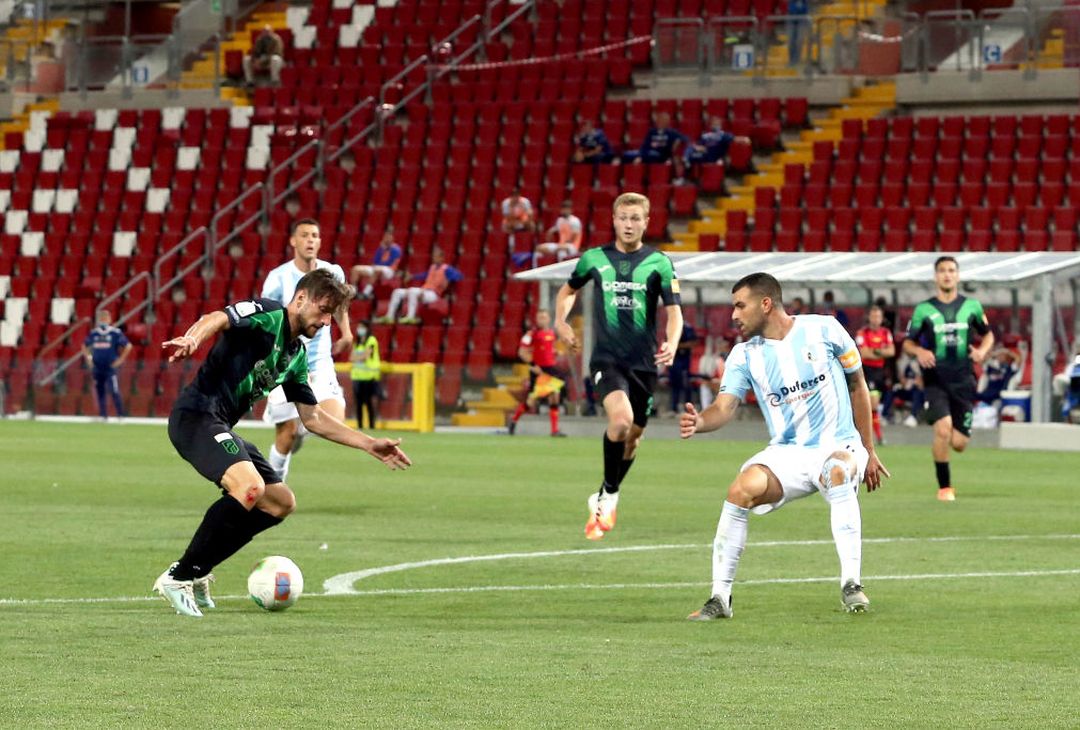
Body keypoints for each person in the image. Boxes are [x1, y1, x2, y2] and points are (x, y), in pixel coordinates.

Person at [153, 270, 411, 617]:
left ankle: (199, 569)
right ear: (300, 298)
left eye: (331, 317)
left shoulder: (295, 355)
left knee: (280, 502)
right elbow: (217, 317)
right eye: (322, 311)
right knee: (249, 487)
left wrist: (368, 444)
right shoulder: (267, 314)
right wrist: (192, 339)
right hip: (195, 417)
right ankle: (180, 575)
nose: (324, 322)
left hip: (220, 425)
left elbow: (314, 418)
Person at [680, 272, 889, 620]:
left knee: (836, 471)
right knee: (740, 489)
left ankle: (851, 583)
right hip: (788, 453)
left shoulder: (826, 330)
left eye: (739, 305)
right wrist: (700, 422)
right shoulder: (744, 355)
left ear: (765, 304)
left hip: (839, 445)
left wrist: (868, 450)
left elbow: (858, 386)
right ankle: (720, 598)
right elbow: (724, 407)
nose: (734, 315)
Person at [555, 192, 683, 540]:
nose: (629, 224)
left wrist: (671, 342)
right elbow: (567, 291)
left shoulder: (660, 263)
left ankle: (602, 493)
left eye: (635, 218)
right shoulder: (594, 258)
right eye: (623, 218)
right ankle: (609, 495)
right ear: (614, 220)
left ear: (646, 221)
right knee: (621, 420)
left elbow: (674, 313)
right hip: (607, 360)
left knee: (634, 438)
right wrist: (561, 322)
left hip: (643, 364)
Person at [261, 218, 353, 481]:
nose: (311, 240)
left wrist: (346, 331)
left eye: (315, 235)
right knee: (286, 435)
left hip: (319, 362)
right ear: (293, 241)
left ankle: (305, 424)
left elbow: (340, 304)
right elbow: (269, 319)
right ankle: (273, 486)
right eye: (304, 235)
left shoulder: (332, 272)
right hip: (285, 364)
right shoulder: (278, 278)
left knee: (335, 419)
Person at [903, 256, 994, 502]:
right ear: (935, 276)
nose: (947, 274)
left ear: (958, 275)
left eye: (951, 270)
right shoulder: (923, 309)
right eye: (942, 270)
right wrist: (919, 351)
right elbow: (908, 342)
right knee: (942, 430)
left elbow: (988, 336)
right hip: (935, 380)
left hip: (963, 380)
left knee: (959, 443)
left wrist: (982, 351)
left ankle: (946, 422)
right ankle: (945, 488)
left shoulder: (972, 306)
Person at [508, 310, 567, 437]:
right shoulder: (531, 334)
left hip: (550, 369)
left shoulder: (551, 333)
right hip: (538, 370)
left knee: (555, 396)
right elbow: (522, 352)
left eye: (544, 317)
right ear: (536, 319)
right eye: (540, 317)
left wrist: (555, 352)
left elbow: (547, 350)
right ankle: (513, 421)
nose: (542, 320)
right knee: (531, 402)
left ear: (549, 319)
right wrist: (533, 366)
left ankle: (554, 430)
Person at [379, 246, 463, 324]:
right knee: (397, 292)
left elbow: (459, 276)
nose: (434, 258)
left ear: (441, 258)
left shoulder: (446, 268)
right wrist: (412, 276)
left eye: (436, 256)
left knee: (412, 291)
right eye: (433, 256)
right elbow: (425, 275)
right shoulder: (432, 267)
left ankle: (411, 317)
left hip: (433, 294)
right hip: (424, 291)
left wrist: (448, 280)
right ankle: (389, 316)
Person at [855, 304, 895, 445]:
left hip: (880, 372)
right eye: (873, 316)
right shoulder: (862, 333)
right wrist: (880, 351)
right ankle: (875, 436)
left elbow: (892, 351)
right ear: (869, 318)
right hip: (866, 372)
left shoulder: (885, 332)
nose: (875, 319)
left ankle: (872, 436)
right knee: (872, 405)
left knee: (873, 406)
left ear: (882, 318)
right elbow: (864, 353)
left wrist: (874, 351)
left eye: (878, 316)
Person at [82, 309, 132, 419]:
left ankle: (120, 414)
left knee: (114, 390)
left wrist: (120, 360)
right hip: (97, 366)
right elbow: (84, 345)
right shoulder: (94, 333)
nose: (103, 320)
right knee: (100, 390)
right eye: (101, 318)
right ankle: (103, 415)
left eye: (105, 318)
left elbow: (128, 346)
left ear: (109, 319)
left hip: (110, 367)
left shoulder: (115, 333)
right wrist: (89, 359)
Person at [623, 112, 689, 182]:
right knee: (627, 155)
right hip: (648, 154)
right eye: (660, 120)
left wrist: (677, 141)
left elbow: (685, 138)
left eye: (664, 120)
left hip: (662, 155)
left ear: (667, 122)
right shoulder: (652, 132)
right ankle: (628, 179)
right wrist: (640, 156)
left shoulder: (671, 132)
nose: (661, 122)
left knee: (651, 156)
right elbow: (645, 146)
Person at [350, 229, 402, 301]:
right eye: (385, 237)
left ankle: (365, 293)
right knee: (355, 269)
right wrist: (381, 249)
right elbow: (375, 261)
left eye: (388, 237)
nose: (386, 239)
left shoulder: (396, 249)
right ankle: (353, 292)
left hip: (389, 270)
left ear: (392, 238)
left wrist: (385, 250)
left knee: (377, 270)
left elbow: (390, 263)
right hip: (376, 267)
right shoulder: (381, 247)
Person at [683, 116, 750, 167]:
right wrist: (698, 147)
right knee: (690, 151)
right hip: (705, 156)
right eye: (714, 124)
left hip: (717, 157)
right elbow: (700, 146)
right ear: (711, 125)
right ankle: (686, 165)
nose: (716, 126)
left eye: (718, 124)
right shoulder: (705, 136)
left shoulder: (723, 134)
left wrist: (744, 139)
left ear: (720, 125)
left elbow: (735, 139)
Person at [882, 350, 925, 427]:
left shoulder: (920, 361)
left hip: (915, 390)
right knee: (891, 391)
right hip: (904, 388)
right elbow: (901, 378)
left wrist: (915, 382)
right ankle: (884, 415)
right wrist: (904, 382)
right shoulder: (900, 361)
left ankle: (913, 417)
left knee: (917, 392)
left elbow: (921, 382)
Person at [350, 321, 380, 429]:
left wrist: (358, 357)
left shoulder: (371, 340)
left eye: (362, 327)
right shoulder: (357, 342)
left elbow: (366, 356)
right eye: (358, 327)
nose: (359, 329)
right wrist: (360, 357)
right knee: (358, 403)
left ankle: (372, 425)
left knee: (368, 402)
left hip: (369, 377)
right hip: (357, 377)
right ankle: (360, 426)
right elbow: (351, 358)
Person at [667, 321, 697, 417]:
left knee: (685, 384)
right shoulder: (671, 325)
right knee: (674, 384)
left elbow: (693, 342)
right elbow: (667, 342)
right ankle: (673, 408)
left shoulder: (687, 328)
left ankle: (687, 409)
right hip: (674, 360)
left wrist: (677, 345)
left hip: (684, 360)